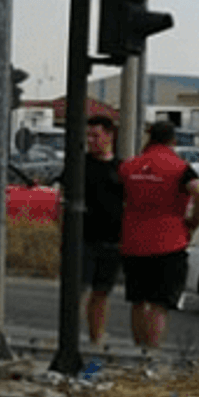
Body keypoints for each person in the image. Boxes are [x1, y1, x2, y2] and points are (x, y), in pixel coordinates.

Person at [118, 120, 199, 366]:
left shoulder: (128, 167)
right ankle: (152, 357)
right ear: (173, 141)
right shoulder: (180, 168)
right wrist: (192, 221)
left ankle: (138, 354)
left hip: (133, 242)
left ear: (149, 138)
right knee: (159, 304)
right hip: (169, 242)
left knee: (137, 301)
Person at [81, 114, 123, 362]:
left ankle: (96, 341)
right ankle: (70, 339)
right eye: (88, 136)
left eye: (96, 136)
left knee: (101, 293)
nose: (91, 140)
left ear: (109, 136)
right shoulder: (80, 165)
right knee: (78, 291)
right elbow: (61, 200)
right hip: (83, 240)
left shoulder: (120, 168)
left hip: (112, 241)